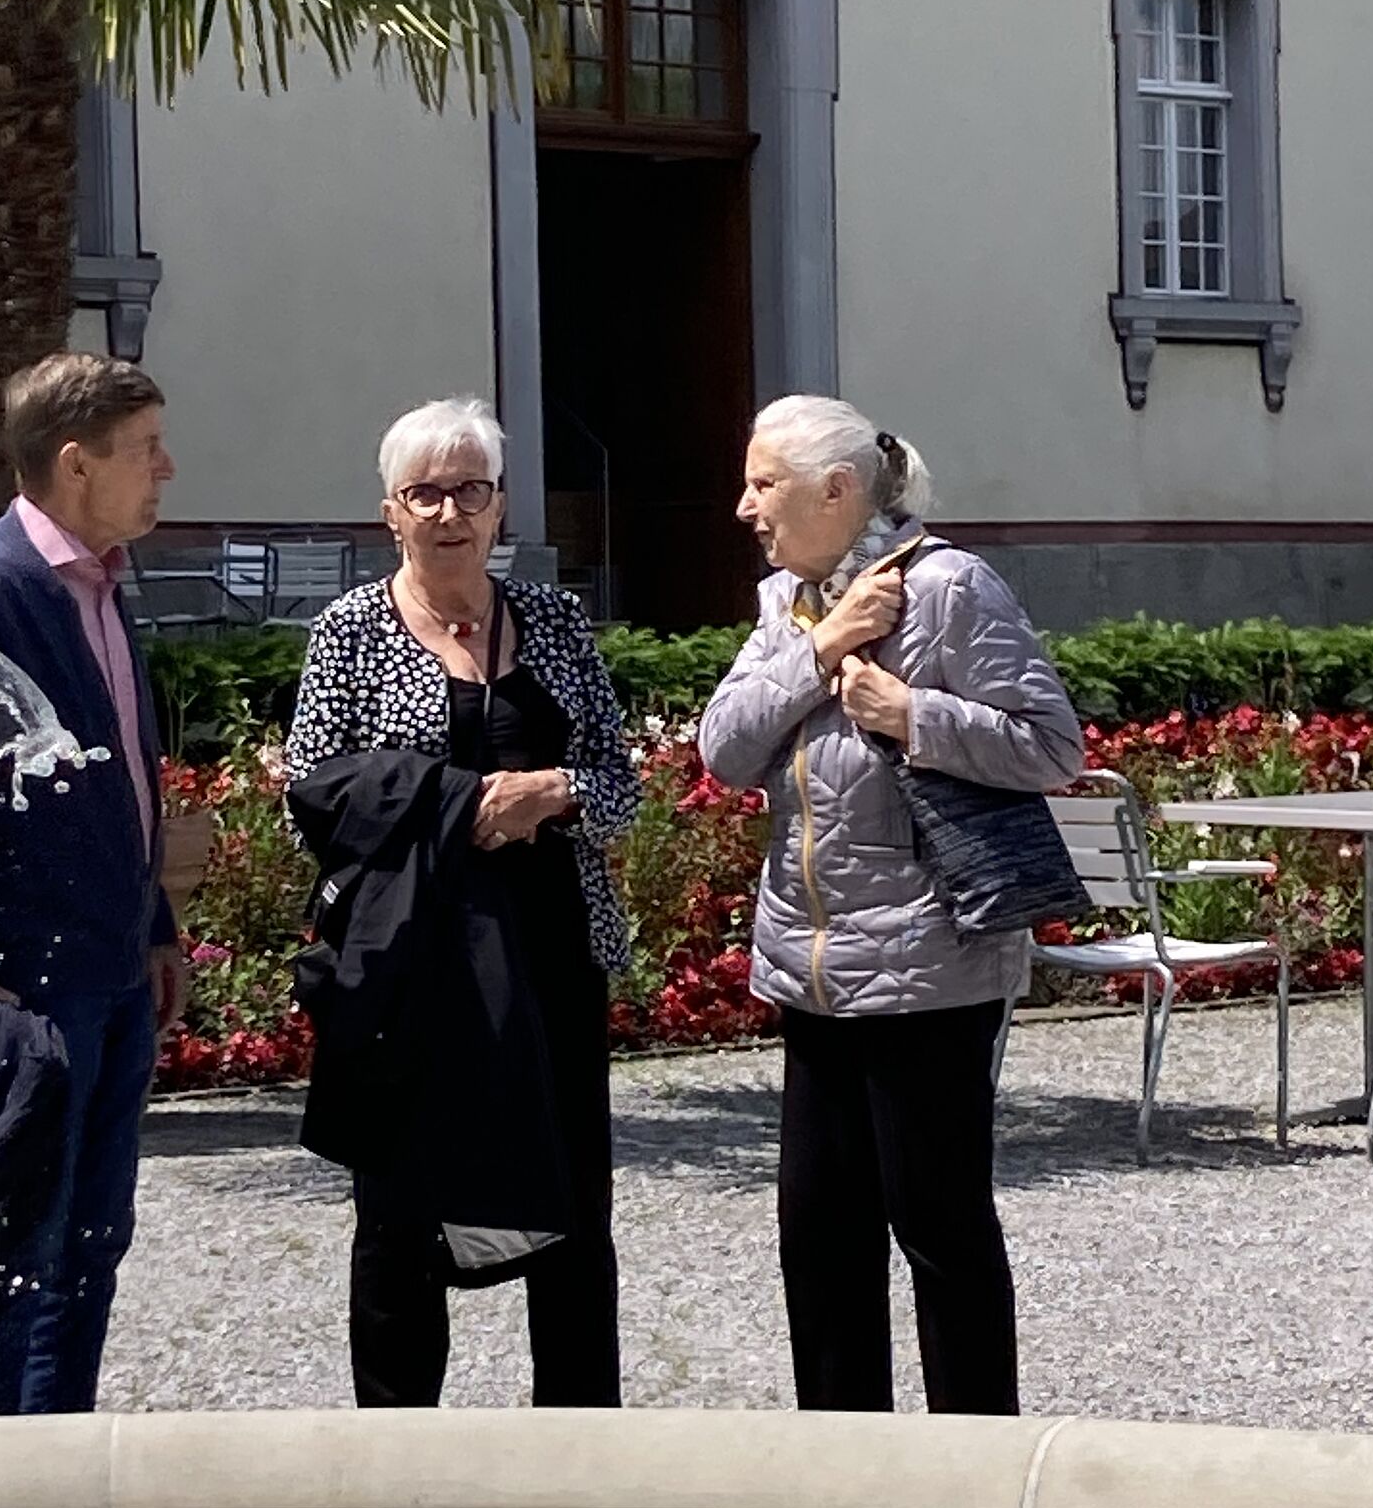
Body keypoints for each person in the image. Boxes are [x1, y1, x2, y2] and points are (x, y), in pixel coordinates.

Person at [698, 397, 1084, 1417]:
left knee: (941, 1233)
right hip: (811, 973)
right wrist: (824, 648)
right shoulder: (790, 602)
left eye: (763, 484)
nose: (744, 507)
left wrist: (915, 714)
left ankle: (975, 1463)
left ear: (836, 490)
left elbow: (1052, 746)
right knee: (819, 1238)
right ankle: (844, 1467)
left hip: (931, 972)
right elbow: (724, 749)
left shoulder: (950, 587)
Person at [284, 396, 639, 1408]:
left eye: (470, 491)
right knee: (400, 1217)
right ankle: (396, 1446)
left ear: (501, 505)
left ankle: (582, 1441)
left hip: (553, 957)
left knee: (575, 1208)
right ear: (390, 512)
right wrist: (456, 805)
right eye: (425, 493)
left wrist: (554, 791)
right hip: (409, 971)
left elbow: (621, 784)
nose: (450, 513)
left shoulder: (555, 621)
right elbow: (307, 796)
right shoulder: (350, 630)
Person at [0, 353, 183, 1416]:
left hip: (110, 969)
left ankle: (59, 1463)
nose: (166, 468)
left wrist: (154, 922)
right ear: (77, 464)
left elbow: (119, 776)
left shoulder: (103, 582)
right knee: (12, 1253)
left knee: (90, 1242)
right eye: (145, 449)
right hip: (28, 985)